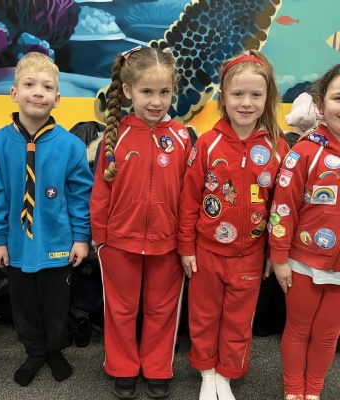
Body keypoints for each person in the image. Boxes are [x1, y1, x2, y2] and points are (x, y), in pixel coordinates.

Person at [177, 50, 289, 400]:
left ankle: (226, 373)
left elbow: (281, 208)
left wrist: (274, 252)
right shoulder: (207, 144)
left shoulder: (277, 147)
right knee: (204, 316)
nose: (246, 103)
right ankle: (206, 371)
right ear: (223, 97)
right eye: (237, 93)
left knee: (239, 320)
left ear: (268, 97)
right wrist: (186, 246)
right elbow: (189, 200)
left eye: (256, 94)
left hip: (250, 255)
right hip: (206, 252)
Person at [0, 52, 93, 387]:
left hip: (58, 243)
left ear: (57, 99)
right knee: (24, 305)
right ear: (14, 93)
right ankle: (34, 351)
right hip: (16, 245)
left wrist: (81, 237)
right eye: (29, 84)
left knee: (56, 305)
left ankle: (54, 349)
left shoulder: (71, 146)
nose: (38, 92)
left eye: (47, 87)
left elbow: (80, 196)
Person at [90, 46, 192, 399]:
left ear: (173, 91)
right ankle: (122, 367)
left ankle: (157, 367)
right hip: (119, 241)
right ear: (128, 90)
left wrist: (185, 240)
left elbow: (189, 195)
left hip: (168, 242)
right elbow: (100, 191)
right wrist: (100, 235)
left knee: (162, 309)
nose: (156, 101)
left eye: (164, 92)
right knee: (121, 309)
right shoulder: (114, 137)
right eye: (147, 91)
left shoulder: (182, 138)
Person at [266, 64, 340, 400]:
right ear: (321, 105)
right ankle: (294, 390)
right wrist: (280, 258)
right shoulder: (305, 152)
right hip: (303, 262)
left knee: (328, 334)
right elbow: (282, 208)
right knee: (298, 329)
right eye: (339, 98)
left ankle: (314, 392)